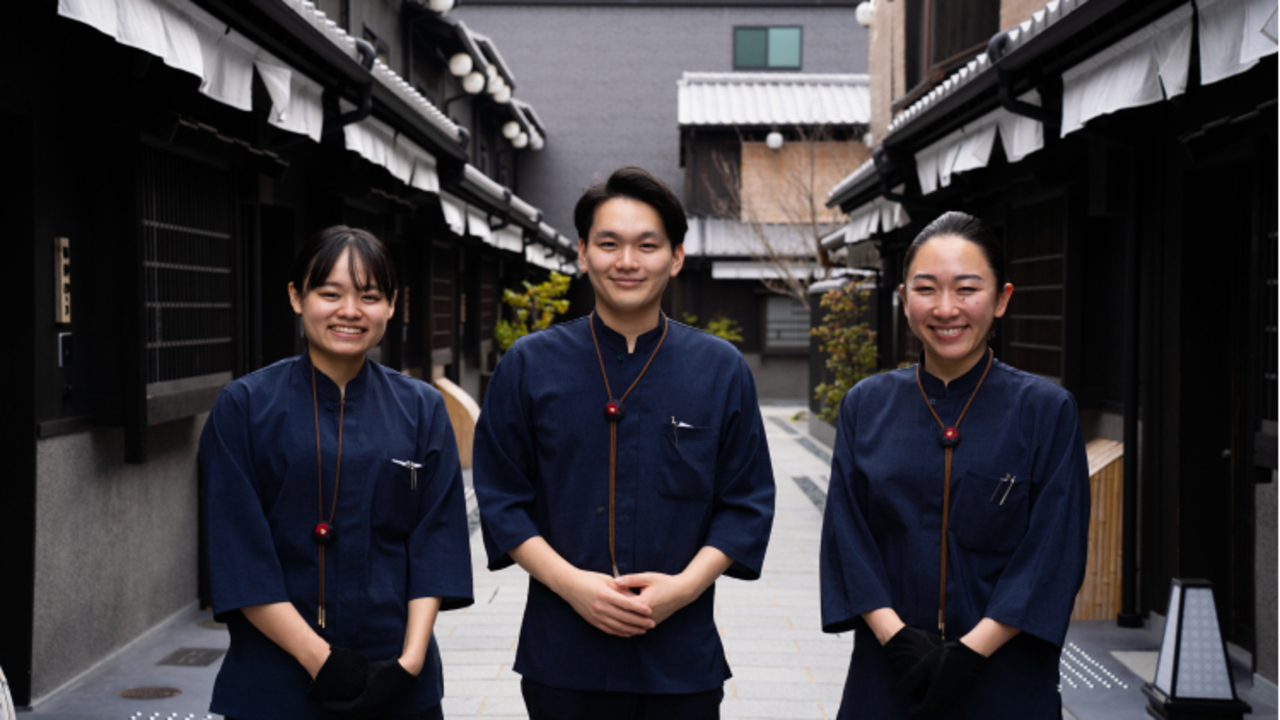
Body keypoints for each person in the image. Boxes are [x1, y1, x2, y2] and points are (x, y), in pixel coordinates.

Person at [472, 167, 776, 720]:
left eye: (647, 245)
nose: (627, 261)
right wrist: (572, 586)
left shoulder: (719, 368)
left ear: (676, 257)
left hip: (680, 658)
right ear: (583, 254)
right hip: (562, 656)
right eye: (609, 244)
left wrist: (682, 589)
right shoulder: (529, 365)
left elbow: (746, 502)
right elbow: (500, 499)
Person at [819, 211, 1090, 719]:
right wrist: (896, 639)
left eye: (967, 289)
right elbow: (847, 536)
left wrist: (972, 651)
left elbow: (1054, 550)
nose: (946, 309)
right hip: (889, 670)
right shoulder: (865, 405)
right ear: (904, 300)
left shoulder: (1046, 411)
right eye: (927, 289)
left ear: (1002, 298)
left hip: (1005, 674)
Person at [200, 226, 473, 720]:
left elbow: (438, 541)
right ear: (296, 297)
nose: (350, 311)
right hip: (275, 683)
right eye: (330, 294)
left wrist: (408, 664)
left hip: (399, 681)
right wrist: (319, 660)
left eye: (369, 296)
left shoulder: (423, 409)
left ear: (391, 305)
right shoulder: (244, 407)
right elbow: (239, 554)